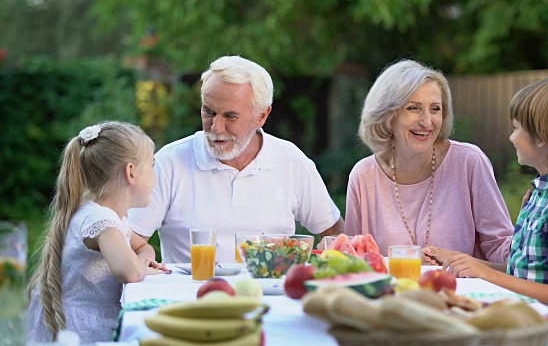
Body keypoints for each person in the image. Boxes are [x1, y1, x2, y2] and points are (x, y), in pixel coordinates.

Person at [128, 56, 343, 263]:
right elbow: (130, 242)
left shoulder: (291, 161)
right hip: (191, 299)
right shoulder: (169, 163)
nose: (216, 127)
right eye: (209, 112)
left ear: (262, 116)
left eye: (230, 116)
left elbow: (335, 236)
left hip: (270, 296)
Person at [442, 79, 548, 345]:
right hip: (527, 331)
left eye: (516, 128)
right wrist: (465, 262)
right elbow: (525, 273)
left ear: (541, 138)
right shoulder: (540, 195)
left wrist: (487, 274)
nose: (511, 137)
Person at [345, 59, 513, 264]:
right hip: (391, 294)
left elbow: (500, 246)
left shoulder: (469, 162)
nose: (427, 121)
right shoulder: (364, 176)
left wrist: (534, 231)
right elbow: (353, 260)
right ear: (388, 115)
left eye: (435, 109)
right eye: (414, 108)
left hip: (458, 293)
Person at [27, 121, 170, 343]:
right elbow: (130, 273)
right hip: (80, 327)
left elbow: (143, 246)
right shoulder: (101, 221)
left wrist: (143, 259)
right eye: (152, 166)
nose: (156, 176)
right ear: (130, 172)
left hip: (88, 317)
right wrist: (142, 267)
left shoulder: (111, 216)